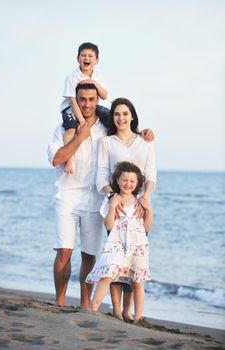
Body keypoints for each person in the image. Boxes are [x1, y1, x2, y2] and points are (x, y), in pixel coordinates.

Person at [47, 83, 154, 308]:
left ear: (97, 101)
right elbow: (57, 159)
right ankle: (59, 303)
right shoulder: (64, 129)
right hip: (68, 195)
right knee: (64, 251)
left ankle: (85, 306)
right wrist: (79, 136)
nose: (87, 104)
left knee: (90, 254)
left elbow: (126, 135)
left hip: (96, 199)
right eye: (82, 99)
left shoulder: (106, 129)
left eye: (91, 99)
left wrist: (145, 133)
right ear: (75, 101)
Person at [96, 97, 157, 321]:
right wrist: (114, 198)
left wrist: (146, 200)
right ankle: (116, 310)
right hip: (117, 208)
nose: (121, 118)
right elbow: (101, 176)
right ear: (112, 118)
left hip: (139, 208)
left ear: (132, 115)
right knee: (115, 262)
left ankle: (129, 310)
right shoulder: (106, 142)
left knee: (134, 262)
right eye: (116, 114)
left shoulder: (146, 141)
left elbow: (151, 174)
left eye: (125, 113)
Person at [86, 161, 153, 323]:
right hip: (116, 244)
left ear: (138, 183)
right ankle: (93, 308)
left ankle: (138, 318)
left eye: (132, 181)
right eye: (124, 180)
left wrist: (149, 210)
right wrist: (112, 206)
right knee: (108, 274)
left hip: (137, 246)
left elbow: (146, 228)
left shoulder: (141, 202)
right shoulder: (112, 200)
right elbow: (108, 225)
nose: (128, 184)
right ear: (117, 180)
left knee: (137, 281)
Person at [60, 42, 109, 174]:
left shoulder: (98, 75)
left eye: (90, 56)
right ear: (78, 59)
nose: (86, 58)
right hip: (71, 107)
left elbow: (104, 95)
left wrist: (94, 82)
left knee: (110, 117)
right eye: (83, 55)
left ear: (96, 60)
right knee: (71, 129)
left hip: (92, 105)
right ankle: (69, 160)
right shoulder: (72, 77)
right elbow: (73, 101)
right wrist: (82, 122)